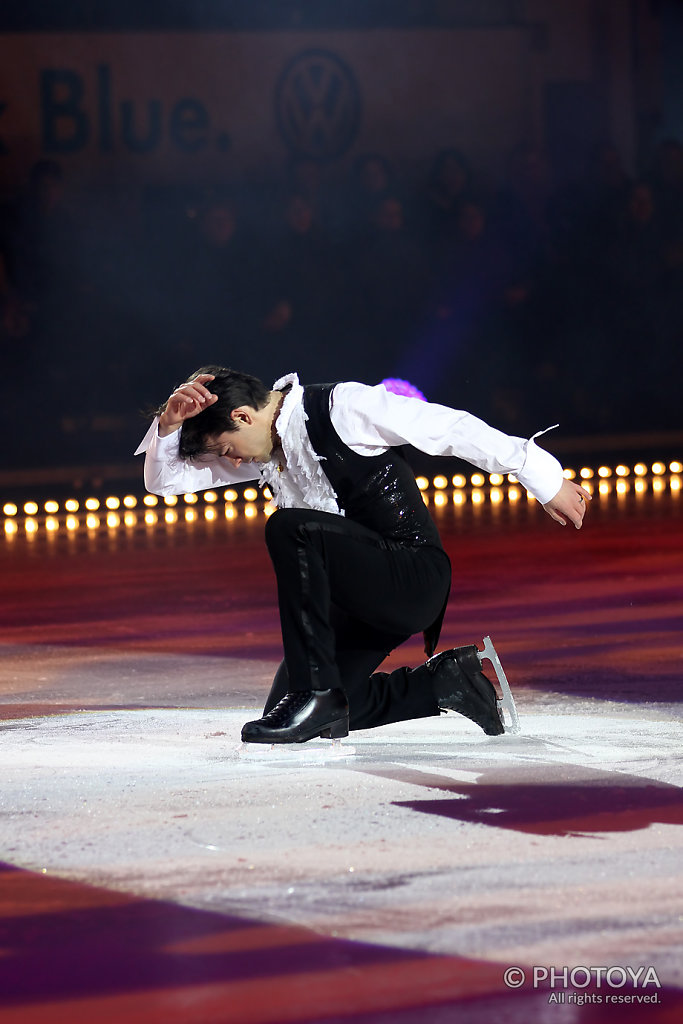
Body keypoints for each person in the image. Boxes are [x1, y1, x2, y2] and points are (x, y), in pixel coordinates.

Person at [136, 367, 589, 744]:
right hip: (358, 603)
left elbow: (451, 428)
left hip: (411, 575)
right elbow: (165, 481)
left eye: (227, 450)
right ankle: (446, 683)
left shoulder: (342, 407)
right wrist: (171, 423)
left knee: (291, 529)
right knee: (302, 708)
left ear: (242, 416)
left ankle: (316, 692)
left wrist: (542, 478)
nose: (232, 463)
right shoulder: (262, 447)